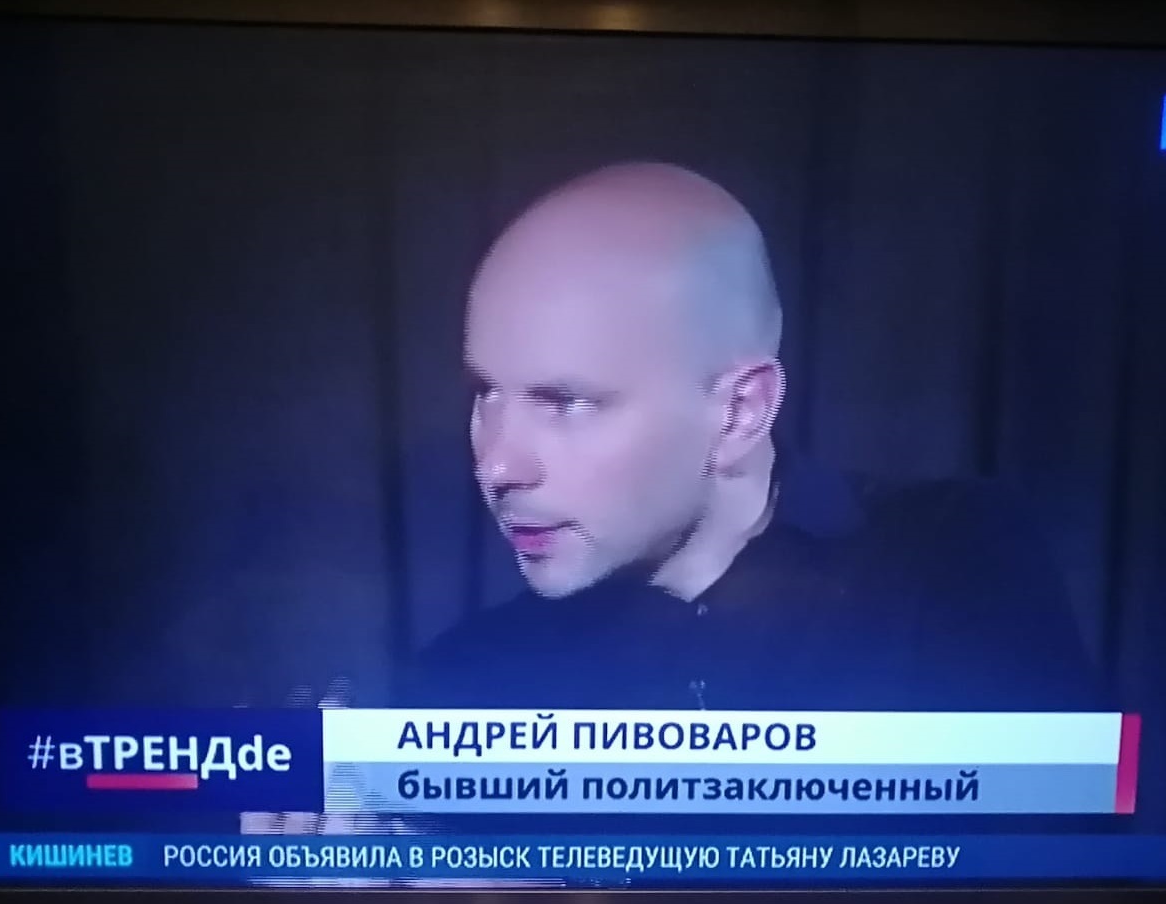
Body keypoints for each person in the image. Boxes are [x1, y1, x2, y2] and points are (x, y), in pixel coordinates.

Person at [399, 161, 1113, 714]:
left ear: (741, 411)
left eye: (566, 402)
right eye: (485, 393)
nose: (497, 465)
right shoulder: (462, 679)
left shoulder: (952, 565)